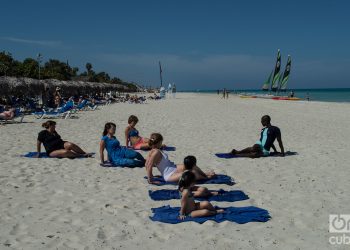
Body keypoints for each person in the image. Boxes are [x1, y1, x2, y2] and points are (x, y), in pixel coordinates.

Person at [145, 133, 215, 184]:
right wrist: (151, 180)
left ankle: (204, 174)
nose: (162, 143)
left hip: (173, 168)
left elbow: (146, 164)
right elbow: (149, 165)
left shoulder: (154, 151)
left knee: (191, 165)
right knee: (191, 173)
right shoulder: (156, 152)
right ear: (158, 142)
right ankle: (205, 178)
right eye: (161, 142)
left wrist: (151, 175)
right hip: (169, 175)